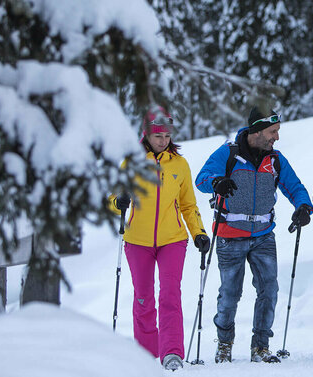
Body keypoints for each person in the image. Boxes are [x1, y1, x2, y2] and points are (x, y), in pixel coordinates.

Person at [195, 107, 313, 364]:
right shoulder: (228, 154)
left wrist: (303, 206)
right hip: (229, 235)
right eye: (273, 132)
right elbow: (201, 178)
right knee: (230, 292)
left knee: (269, 289)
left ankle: (260, 347)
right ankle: (224, 344)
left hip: (263, 235)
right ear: (256, 131)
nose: (276, 137)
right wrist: (216, 182)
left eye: (277, 131)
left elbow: (294, 186)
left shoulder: (276, 160)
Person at [111, 105, 210, 371]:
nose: (163, 141)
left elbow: (188, 205)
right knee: (143, 298)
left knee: (169, 295)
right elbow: (112, 200)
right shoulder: (131, 162)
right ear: (146, 134)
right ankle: (146, 354)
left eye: (166, 136)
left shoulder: (179, 164)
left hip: (172, 240)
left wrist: (198, 232)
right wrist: (119, 201)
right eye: (158, 136)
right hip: (138, 241)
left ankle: (172, 353)